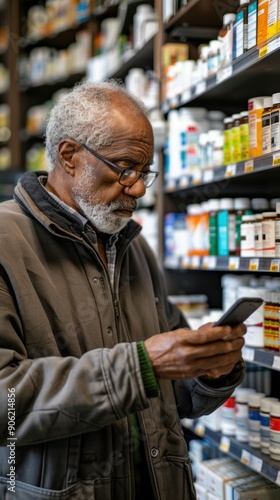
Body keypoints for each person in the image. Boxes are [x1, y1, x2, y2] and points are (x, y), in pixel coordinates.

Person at [0, 80, 246, 500]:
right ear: (69, 156)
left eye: (145, 172)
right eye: (125, 169)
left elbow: (173, 396)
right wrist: (141, 366)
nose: (138, 189)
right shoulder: (7, 242)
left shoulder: (133, 245)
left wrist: (207, 369)